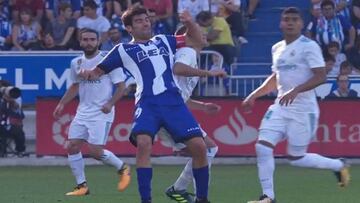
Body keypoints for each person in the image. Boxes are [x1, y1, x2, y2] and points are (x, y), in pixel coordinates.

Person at [78, 7, 226, 203]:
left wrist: (190, 22)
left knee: (200, 147)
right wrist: (88, 73)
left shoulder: (164, 40)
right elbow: (98, 71)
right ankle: (146, 200)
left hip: (173, 101)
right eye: (139, 21)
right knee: (144, 143)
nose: (145, 23)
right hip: (147, 102)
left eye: (146, 19)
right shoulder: (123, 50)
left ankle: (202, 199)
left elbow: (196, 40)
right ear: (129, 28)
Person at [243, 7, 350, 203]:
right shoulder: (277, 48)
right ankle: (268, 197)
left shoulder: (309, 46)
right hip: (280, 106)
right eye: (286, 19)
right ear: (281, 23)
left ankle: (338, 165)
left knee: (296, 158)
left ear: (301, 24)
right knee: (263, 147)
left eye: (294, 19)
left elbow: (321, 76)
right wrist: (254, 95)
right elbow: (276, 78)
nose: (290, 22)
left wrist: (296, 90)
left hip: (304, 110)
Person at [53, 28, 130, 196]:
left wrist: (110, 103)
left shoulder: (108, 60)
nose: (88, 42)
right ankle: (82, 186)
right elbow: (75, 86)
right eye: (85, 39)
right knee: (72, 146)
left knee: (95, 152)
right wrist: (61, 104)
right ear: (80, 42)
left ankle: (123, 168)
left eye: (92, 39)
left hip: (101, 112)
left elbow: (122, 87)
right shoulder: (76, 63)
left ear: (98, 41)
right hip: (83, 111)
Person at [163, 26, 220, 203]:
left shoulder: (190, 55)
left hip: (173, 109)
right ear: (187, 37)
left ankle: (179, 189)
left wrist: (202, 106)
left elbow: (182, 96)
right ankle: (197, 197)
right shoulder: (187, 51)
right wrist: (207, 73)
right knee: (206, 150)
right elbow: (178, 69)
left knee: (207, 149)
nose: (203, 34)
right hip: (169, 112)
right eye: (198, 32)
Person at [0, 80, 27, 157]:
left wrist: (9, 100)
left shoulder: (16, 97)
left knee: (18, 131)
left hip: (13, 125)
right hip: (2, 124)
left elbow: (16, 108)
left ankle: (20, 151)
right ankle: (2, 151)